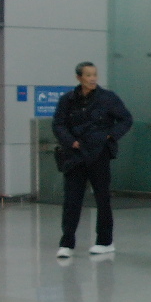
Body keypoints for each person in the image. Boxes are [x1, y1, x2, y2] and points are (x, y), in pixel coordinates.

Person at [52, 61, 133, 258]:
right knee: (72, 199)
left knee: (102, 198)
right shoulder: (67, 100)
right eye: (88, 75)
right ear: (79, 78)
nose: (93, 78)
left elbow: (126, 119)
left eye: (95, 74)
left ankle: (105, 241)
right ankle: (67, 243)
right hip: (75, 155)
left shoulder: (108, 98)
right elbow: (58, 124)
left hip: (99, 154)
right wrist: (71, 142)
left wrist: (109, 136)